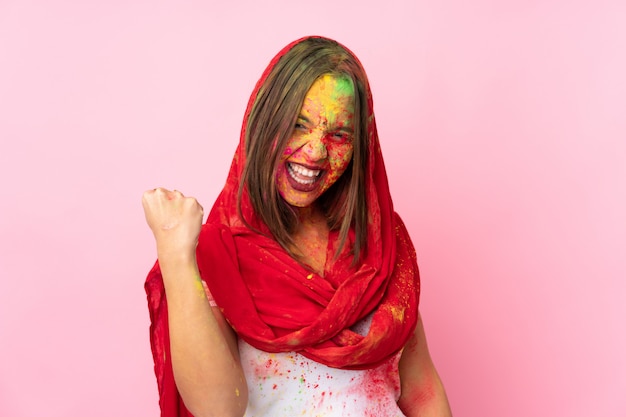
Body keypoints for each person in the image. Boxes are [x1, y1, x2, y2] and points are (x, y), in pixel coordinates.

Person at [142, 36, 452, 417]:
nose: (317, 150)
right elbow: (218, 408)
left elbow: (421, 392)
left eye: (339, 134)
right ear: (263, 123)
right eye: (298, 124)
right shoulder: (221, 251)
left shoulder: (381, 240)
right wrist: (175, 256)